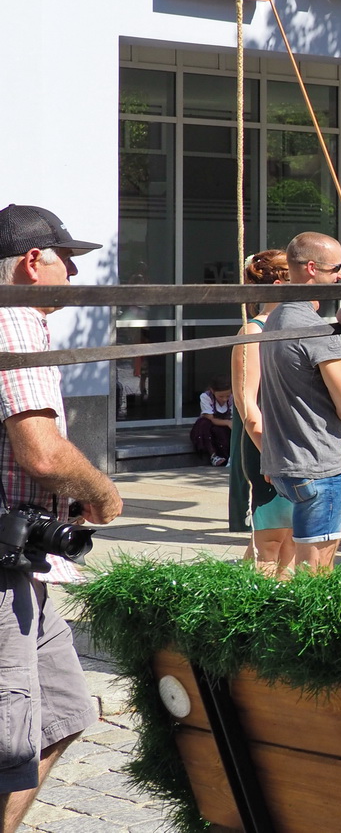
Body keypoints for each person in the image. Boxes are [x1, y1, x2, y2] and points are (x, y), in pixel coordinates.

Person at [0, 204, 124, 831]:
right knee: (10, 742)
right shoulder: (13, 320)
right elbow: (43, 455)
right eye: (65, 257)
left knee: (65, 713)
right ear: (31, 262)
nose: (74, 270)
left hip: (26, 562)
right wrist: (101, 491)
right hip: (3, 572)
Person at [257, 233, 341, 575]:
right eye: (337, 268)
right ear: (312, 269)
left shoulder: (276, 319)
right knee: (316, 574)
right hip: (319, 465)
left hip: (284, 465)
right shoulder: (314, 330)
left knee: (283, 564)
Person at [227, 250, 297, 577]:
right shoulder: (253, 332)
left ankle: (284, 612)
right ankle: (249, 612)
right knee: (269, 543)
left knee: (293, 540)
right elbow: (247, 403)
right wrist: (272, 453)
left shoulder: (300, 326)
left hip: (298, 449)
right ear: (282, 282)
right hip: (267, 447)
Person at [191, 376, 232, 466]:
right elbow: (210, 417)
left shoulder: (232, 398)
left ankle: (227, 456)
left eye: (227, 396)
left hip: (224, 426)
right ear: (212, 391)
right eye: (221, 396)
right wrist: (227, 422)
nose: (224, 399)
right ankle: (213, 455)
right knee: (203, 423)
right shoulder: (206, 397)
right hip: (209, 425)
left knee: (223, 433)